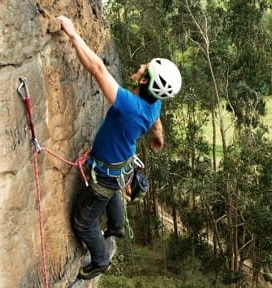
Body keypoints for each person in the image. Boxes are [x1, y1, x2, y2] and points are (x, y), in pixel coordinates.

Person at [57, 15, 182, 280]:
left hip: (106, 172)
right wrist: (157, 139)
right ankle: (116, 226)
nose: (139, 66)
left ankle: (101, 259)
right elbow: (157, 125)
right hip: (122, 165)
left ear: (145, 82)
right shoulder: (153, 104)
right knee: (114, 189)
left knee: (83, 222)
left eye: (144, 68)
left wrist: (73, 34)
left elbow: (98, 70)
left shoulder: (128, 104)